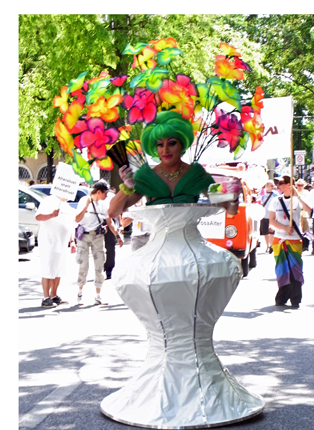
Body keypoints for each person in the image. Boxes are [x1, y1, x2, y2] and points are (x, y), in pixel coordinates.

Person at [108, 110, 239, 219]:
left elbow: (230, 210)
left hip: (191, 247)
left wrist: (233, 196)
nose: (165, 150)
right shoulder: (146, 176)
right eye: (160, 145)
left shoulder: (196, 174)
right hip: (158, 248)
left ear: (182, 144)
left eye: (172, 143)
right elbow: (112, 213)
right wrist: (127, 187)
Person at [75, 181, 121, 305]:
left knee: (99, 265)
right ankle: (80, 293)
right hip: (83, 236)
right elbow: (77, 219)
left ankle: (98, 296)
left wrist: (118, 236)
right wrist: (85, 207)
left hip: (98, 236)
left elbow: (109, 222)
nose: (107, 196)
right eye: (105, 193)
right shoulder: (84, 200)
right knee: (83, 265)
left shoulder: (104, 205)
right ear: (99, 192)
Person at [267, 176, 310, 308]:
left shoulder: (297, 200)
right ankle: (282, 297)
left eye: (281, 183)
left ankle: (295, 298)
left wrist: (297, 195)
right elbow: (272, 220)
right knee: (282, 269)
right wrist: (284, 227)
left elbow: (308, 209)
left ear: (289, 185)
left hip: (295, 239)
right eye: (277, 183)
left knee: (295, 270)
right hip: (279, 240)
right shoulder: (275, 200)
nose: (278, 186)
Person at [34, 193, 74, 307]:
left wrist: (72, 241)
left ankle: (53, 295)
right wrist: (51, 215)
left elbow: (70, 224)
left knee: (58, 269)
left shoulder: (66, 205)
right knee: (48, 267)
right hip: (49, 241)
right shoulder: (48, 200)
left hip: (61, 243)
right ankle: (45, 297)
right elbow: (38, 217)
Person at [259, 181, 275, 253]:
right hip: (263, 215)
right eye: (271, 185)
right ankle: (267, 245)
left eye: (273, 185)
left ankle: (271, 246)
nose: (273, 187)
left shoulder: (275, 194)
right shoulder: (262, 194)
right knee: (265, 232)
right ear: (267, 186)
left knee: (271, 231)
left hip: (272, 216)